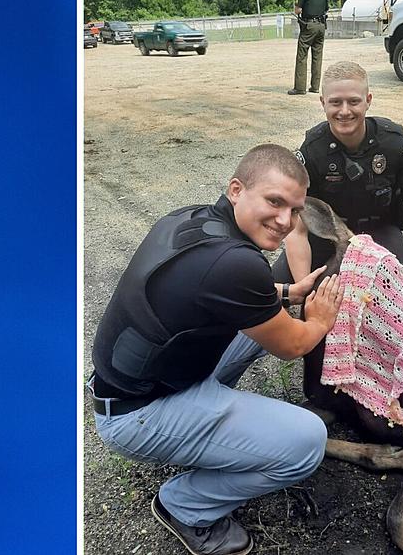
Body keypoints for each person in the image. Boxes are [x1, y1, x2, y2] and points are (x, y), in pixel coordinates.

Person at [88, 144, 344, 555]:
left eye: (295, 210)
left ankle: (204, 436)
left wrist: (284, 292)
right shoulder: (235, 264)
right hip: (136, 415)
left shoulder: (191, 219)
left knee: (263, 321)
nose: (285, 221)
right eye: (274, 202)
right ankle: (185, 506)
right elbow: (294, 345)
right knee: (307, 442)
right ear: (237, 189)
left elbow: (212, 288)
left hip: (131, 380)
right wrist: (320, 319)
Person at [274, 61, 403, 312]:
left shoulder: (394, 145)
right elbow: (297, 229)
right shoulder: (310, 153)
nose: (345, 111)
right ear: (323, 102)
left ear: (368, 100)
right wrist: (305, 291)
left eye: (354, 101)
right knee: (270, 290)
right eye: (336, 102)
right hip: (326, 236)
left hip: (379, 231)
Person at [288, 0, 328, 96]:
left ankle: (300, 88)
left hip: (309, 26)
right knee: (317, 57)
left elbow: (297, 10)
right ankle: (315, 86)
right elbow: (326, 8)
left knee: (302, 56)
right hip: (321, 26)